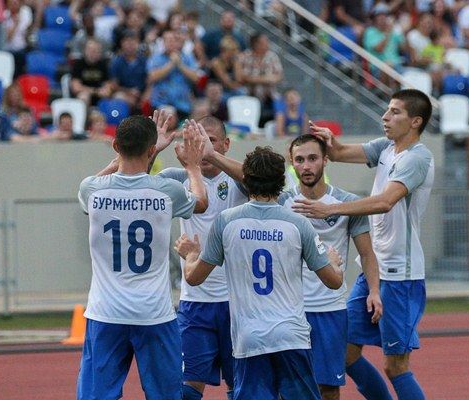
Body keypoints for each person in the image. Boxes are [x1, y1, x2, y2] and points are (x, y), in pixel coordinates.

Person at [292, 89, 435, 400]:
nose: (385, 117)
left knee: (396, 365)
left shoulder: (418, 157)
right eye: (386, 110)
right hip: (375, 273)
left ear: (415, 121)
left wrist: (329, 209)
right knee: (345, 353)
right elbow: (342, 153)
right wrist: (331, 143)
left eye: (395, 112)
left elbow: (385, 202)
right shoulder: (387, 148)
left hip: (401, 276)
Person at [175, 143, 344, 400]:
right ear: (282, 180)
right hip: (291, 336)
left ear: (247, 180)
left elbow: (194, 277)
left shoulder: (227, 221)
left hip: (249, 336)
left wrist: (190, 255)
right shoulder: (298, 223)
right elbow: (333, 281)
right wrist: (334, 262)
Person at [76, 111, 208, 400]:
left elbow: (88, 192)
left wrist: (125, 159)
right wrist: (194, 168)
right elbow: (200, 202)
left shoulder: (93, 190)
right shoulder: (166, 191)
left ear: (115, 147)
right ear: (151, 151)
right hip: (153, 313)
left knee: (96, 395)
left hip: (105, 312)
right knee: (165, 395)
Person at [279, 134, 383, 400]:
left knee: (328, 389)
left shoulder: (347, 204)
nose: (306, 166)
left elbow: (367, 253)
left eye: (312, 158)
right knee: (287, 388)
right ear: (292, 163)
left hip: (330, 310)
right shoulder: (281, 204)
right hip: (290, 310)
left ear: (325, 160)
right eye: (299, 160)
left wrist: (374, 291)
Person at [158, 116, 248, 400]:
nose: (200, 146)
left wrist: (208, 156)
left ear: (226, 144)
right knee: (186, 386)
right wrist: (155, 150)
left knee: (241, 387)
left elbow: (259, 179)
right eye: (194, 140)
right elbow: (139, 183)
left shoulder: (238, 179)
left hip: (237, 303)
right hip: (196, 302)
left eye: (209, 140)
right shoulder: (177, 177)